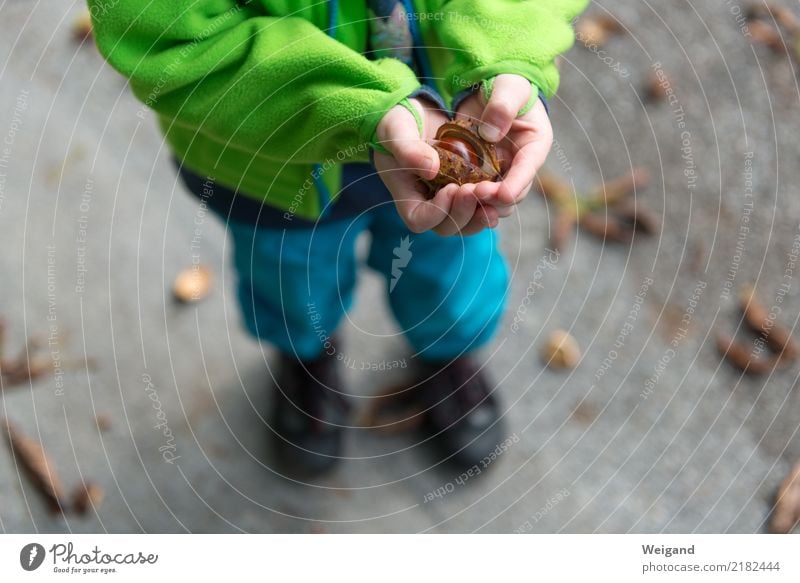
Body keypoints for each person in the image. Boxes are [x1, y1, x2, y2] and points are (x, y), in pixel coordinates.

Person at [89, 0, 588, 476]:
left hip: (446, 111)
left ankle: (447, 354)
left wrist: (506, 54)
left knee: (450, 267)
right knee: (292, 279)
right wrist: (360, 108)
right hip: (267, 160)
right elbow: (168, 38)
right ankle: (306, 358)